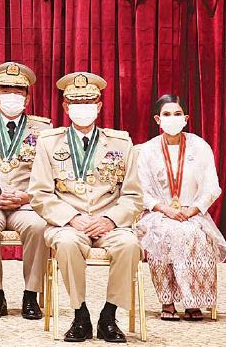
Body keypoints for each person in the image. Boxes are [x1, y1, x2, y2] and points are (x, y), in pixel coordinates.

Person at [30, 72, 142, 343]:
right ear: (66, 107)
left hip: (109, 222)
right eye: (76, 103)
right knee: (67, 244)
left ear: (99, 106)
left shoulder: (121, 142)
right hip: (68, 223)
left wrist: (110, 219)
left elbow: (134, 195)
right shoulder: (48, 142)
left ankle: (108, 316)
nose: (83, 108)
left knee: (130, 246)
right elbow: (39, 193)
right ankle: (80, 315)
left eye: (89, 102)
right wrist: (72, 218)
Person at [0, 62, 53, 319]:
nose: (11, 95)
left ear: (27, 98)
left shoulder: (43, 130)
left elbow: (49, 174)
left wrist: (28, 196)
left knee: (38, 227)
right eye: (5, 90)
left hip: (26, 202)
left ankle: (31, 294)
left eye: (18, 91)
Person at [133, 94, 226, 321]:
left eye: (177, 114)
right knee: (163, 235)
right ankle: (168, 301)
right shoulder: (147, 150)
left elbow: (211, 186)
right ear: (158, 119)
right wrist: (166, 210)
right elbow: (140, 189)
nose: (172, 118)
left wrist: (192, 210)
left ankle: (194, 301)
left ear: (185, 118)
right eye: (166, 114)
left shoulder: (199, 146)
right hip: (158, 212)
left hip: (191, 212)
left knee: (196, 236)